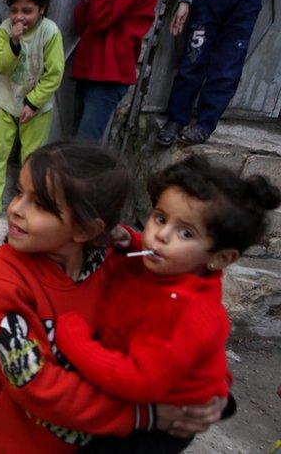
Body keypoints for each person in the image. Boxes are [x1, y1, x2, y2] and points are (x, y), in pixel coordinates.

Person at [0, 142, 227, 453]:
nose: (14, 208)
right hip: (25, 444)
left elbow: (186, 303)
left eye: (39, 204)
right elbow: (36, 384)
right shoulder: (8, 279)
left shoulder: (112, 259)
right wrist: (142, 416)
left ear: (85, 230)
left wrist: (210, 393)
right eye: (18, 192)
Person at [54, 154, 278, 453]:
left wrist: (72, 336)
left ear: (220, 258)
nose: (160, 235)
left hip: (158, 425)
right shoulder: (173, 267)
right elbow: (158, 257)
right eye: (160, 217)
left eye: (185, 233)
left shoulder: (186, 313)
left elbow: (136, 380)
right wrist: (131, 240)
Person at [156, 0, 281, 146]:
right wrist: (185, 1)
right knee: (193, 58)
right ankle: (176, 119)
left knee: (227, 66)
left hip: (246, 1)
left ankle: (205, 124)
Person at [0, 0, 64, 222]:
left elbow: (54, 74)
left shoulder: (50, 32)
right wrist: (13, 43)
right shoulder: (5, 30)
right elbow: (0, 65)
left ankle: (30, 204)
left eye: (27, 11)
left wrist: (33, 103)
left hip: (38, 109)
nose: (19, 17)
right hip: (6, 101)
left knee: (32, 159)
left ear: (41, 9)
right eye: (14, 11)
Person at [72, 0, 162, 143]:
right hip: (91, 68)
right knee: (77, 143)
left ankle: (87, 180)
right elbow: (82, 25)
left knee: (84, 146)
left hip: (109, 74)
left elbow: (103, 21)